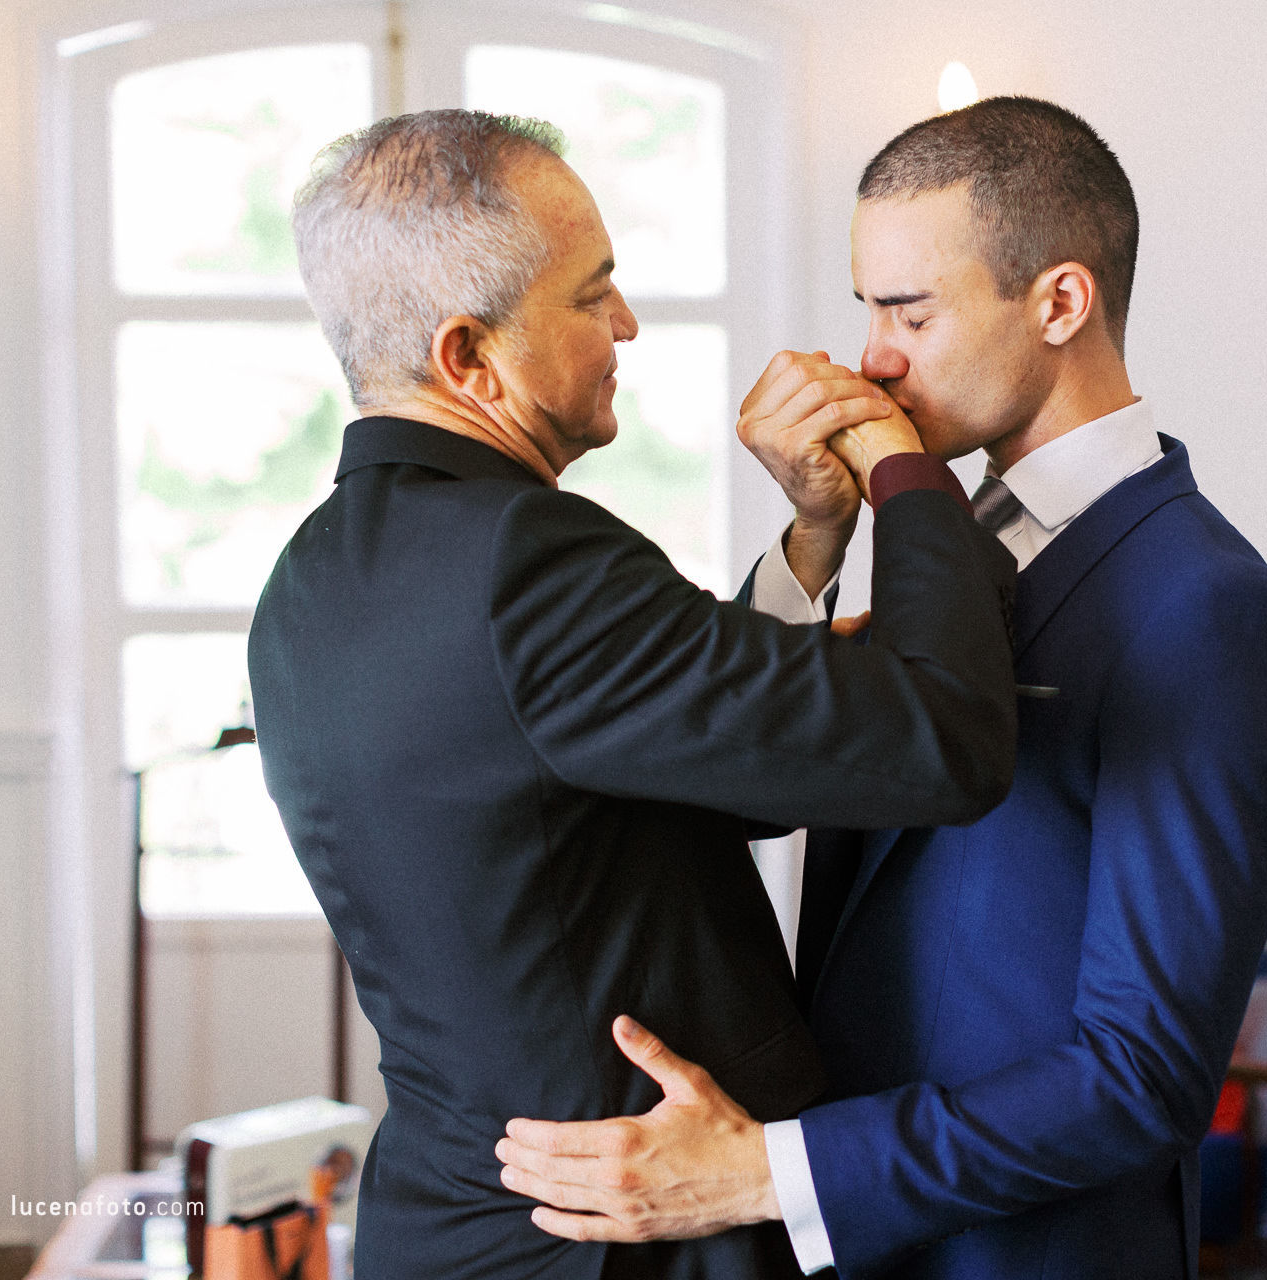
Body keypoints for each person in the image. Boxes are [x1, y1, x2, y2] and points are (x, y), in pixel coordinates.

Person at [495, 97, 1267, 1279]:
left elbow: (1142, 1075)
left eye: (909, 311)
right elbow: (743, 780)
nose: (872, 357)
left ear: (1060, 302)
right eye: (865, 308)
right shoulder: (948, 547)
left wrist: (763, 1171)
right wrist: (816, 535)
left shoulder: (1209, 610)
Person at [247, 108, 1022, 1280]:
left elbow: (705, 770)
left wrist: (817, 532)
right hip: (624, 1239)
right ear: (470, 357)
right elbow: (944, 738)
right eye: (589, 293)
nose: (626, 324)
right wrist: (900, 464)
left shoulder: (310, 580)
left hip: (452, 1225)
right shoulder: (524, 560)